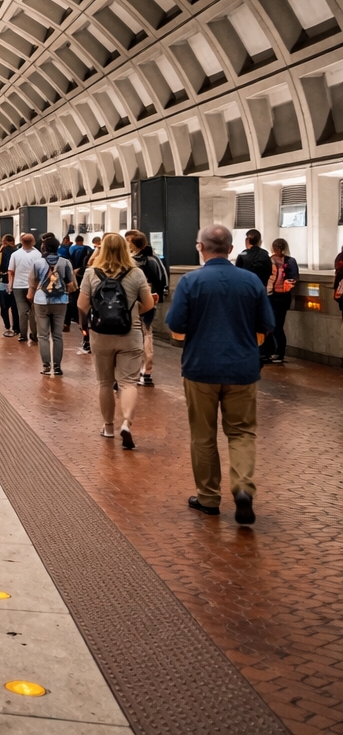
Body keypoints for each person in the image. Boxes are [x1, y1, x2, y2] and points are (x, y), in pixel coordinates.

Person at [165, 224, 273, 525]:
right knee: (241, 432)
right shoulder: (251, 281)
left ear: (200, 247)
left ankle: (208, 497)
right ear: (231, 248)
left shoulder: (190, 281)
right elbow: (267, 324)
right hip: (243, 368)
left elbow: (176, 323)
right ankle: (242, 488)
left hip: (201, 368)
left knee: (203, 435)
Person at [78, 234, 155, 448]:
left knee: (104, 382)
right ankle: (127, 423)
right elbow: (148, 304)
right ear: (125, 248)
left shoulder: (91, 273)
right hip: (129, 332)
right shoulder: (136, 273)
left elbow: (81, 304)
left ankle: (108, 427)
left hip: (100, 334)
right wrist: (133, 310)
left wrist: (85, 326)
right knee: (128, 382)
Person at [28, 234, 76, 374]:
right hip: (61, 301)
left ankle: (46, 366)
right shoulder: (65, 262)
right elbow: (71, 285)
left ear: (43, 248)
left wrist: (30, 296)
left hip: (41, 300)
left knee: (43, 335)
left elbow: (32, 283)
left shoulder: (37, 263)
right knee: (57, 335)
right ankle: (57, 366)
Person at [126, 231, 167, 386]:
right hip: (150, 299)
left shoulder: (129, 262)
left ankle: (131, 369)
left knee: (131, 334)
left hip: (131, 301)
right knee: (147, 334)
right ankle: (147, 372)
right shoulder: (154, 260)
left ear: (132, 244)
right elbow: (162, 280)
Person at [263, 238, 298, 366]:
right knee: (278, 325)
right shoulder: (291, 261)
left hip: (271, 295)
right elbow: (294, 278)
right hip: (284, 297)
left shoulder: (269, 260)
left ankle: (276, 352)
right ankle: (278, 352)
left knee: (273, 326)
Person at [9, 234, 42, 343]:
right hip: (34, 286)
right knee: (33, 311)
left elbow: (11, 271)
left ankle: (23, 335)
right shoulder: (38, 254)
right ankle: (34, 334)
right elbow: (41, 271)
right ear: (33, 242)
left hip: (18, 286)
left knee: (22, 312)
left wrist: (10, 285)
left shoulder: (15, 254)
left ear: (21, 242)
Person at [0, 235, 18, 336]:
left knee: (4, 306)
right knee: (15, 306)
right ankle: (16, 327)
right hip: (15, 281)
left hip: (3, 280)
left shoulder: (1, 251)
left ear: (4, 241)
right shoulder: (18, 251)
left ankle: (7, 326)